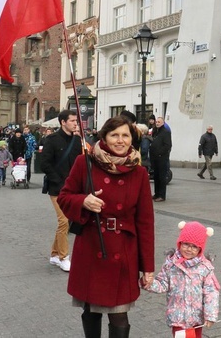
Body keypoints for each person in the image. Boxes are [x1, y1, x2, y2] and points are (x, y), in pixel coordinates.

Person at [57, 116, 155, 338]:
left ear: (132, 139)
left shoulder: (139, 172)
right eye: (114, 135)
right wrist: (83, 201)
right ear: (104, 137)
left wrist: (147, 267)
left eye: (125, 135)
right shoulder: (85, 162)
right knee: (90, 310)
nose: (120, 140)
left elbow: (146, 222)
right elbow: (64, 197)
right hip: (92, 247)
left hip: (123, 251)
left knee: (119, 315)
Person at [145, 221, 220, 337]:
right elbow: (163, 284)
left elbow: (211, 292)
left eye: (194, 246)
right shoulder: (171, 263)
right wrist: (149, 283)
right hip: (177, 316)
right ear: (180, 243)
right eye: (186, 244)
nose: (189, 249)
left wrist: (210, 315)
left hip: (196, 318)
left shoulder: (205, 268)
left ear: (200, 249)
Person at [41, 110, 81, 272]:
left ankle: (54, 254)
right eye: (72, 121)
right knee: (64, 221)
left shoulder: (77, 141)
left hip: (73, 188)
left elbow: (81, 163)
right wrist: (57, 179)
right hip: (57, 188)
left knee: (65, 221)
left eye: (75, 121)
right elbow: (45, 163)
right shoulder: (52, 140)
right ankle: (64, 257)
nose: (75, 123)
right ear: (63, 122)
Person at [150, 116, 172, 202]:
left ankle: (162, 195)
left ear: (163, 123)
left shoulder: (166, 132)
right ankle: (157, 193)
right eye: (157, 122)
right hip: (154, 158)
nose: (157, 123)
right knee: (156, 176)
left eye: (159, 122)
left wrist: (159, 153)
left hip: (162, 158)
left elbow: (168, 145)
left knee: (162, 177)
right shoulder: (155, 131)